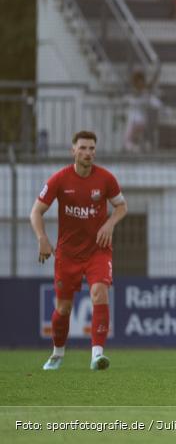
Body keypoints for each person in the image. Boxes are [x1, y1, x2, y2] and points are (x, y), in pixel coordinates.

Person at [31, 131, 128, 371]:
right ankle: (57, 353)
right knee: (63, 308)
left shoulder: (105, 179)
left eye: (92, 148)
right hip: (67, 254)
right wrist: (42, 238)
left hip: (98, 250)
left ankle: (97, 355)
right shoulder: (60, 179)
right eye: (83, 148)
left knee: (99, 293)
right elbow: (36, 212)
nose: (88, 153)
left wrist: (109, 223)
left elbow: (121, 206)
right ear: (73, 151)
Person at [124, 71, 162, 153]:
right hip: (138, 121)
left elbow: (155, 102)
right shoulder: (137, 94)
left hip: (136, 121)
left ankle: (139, 150)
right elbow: (156, 103)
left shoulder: (143, 94)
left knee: (130, 141)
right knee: (134, 140)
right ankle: (140, 149)